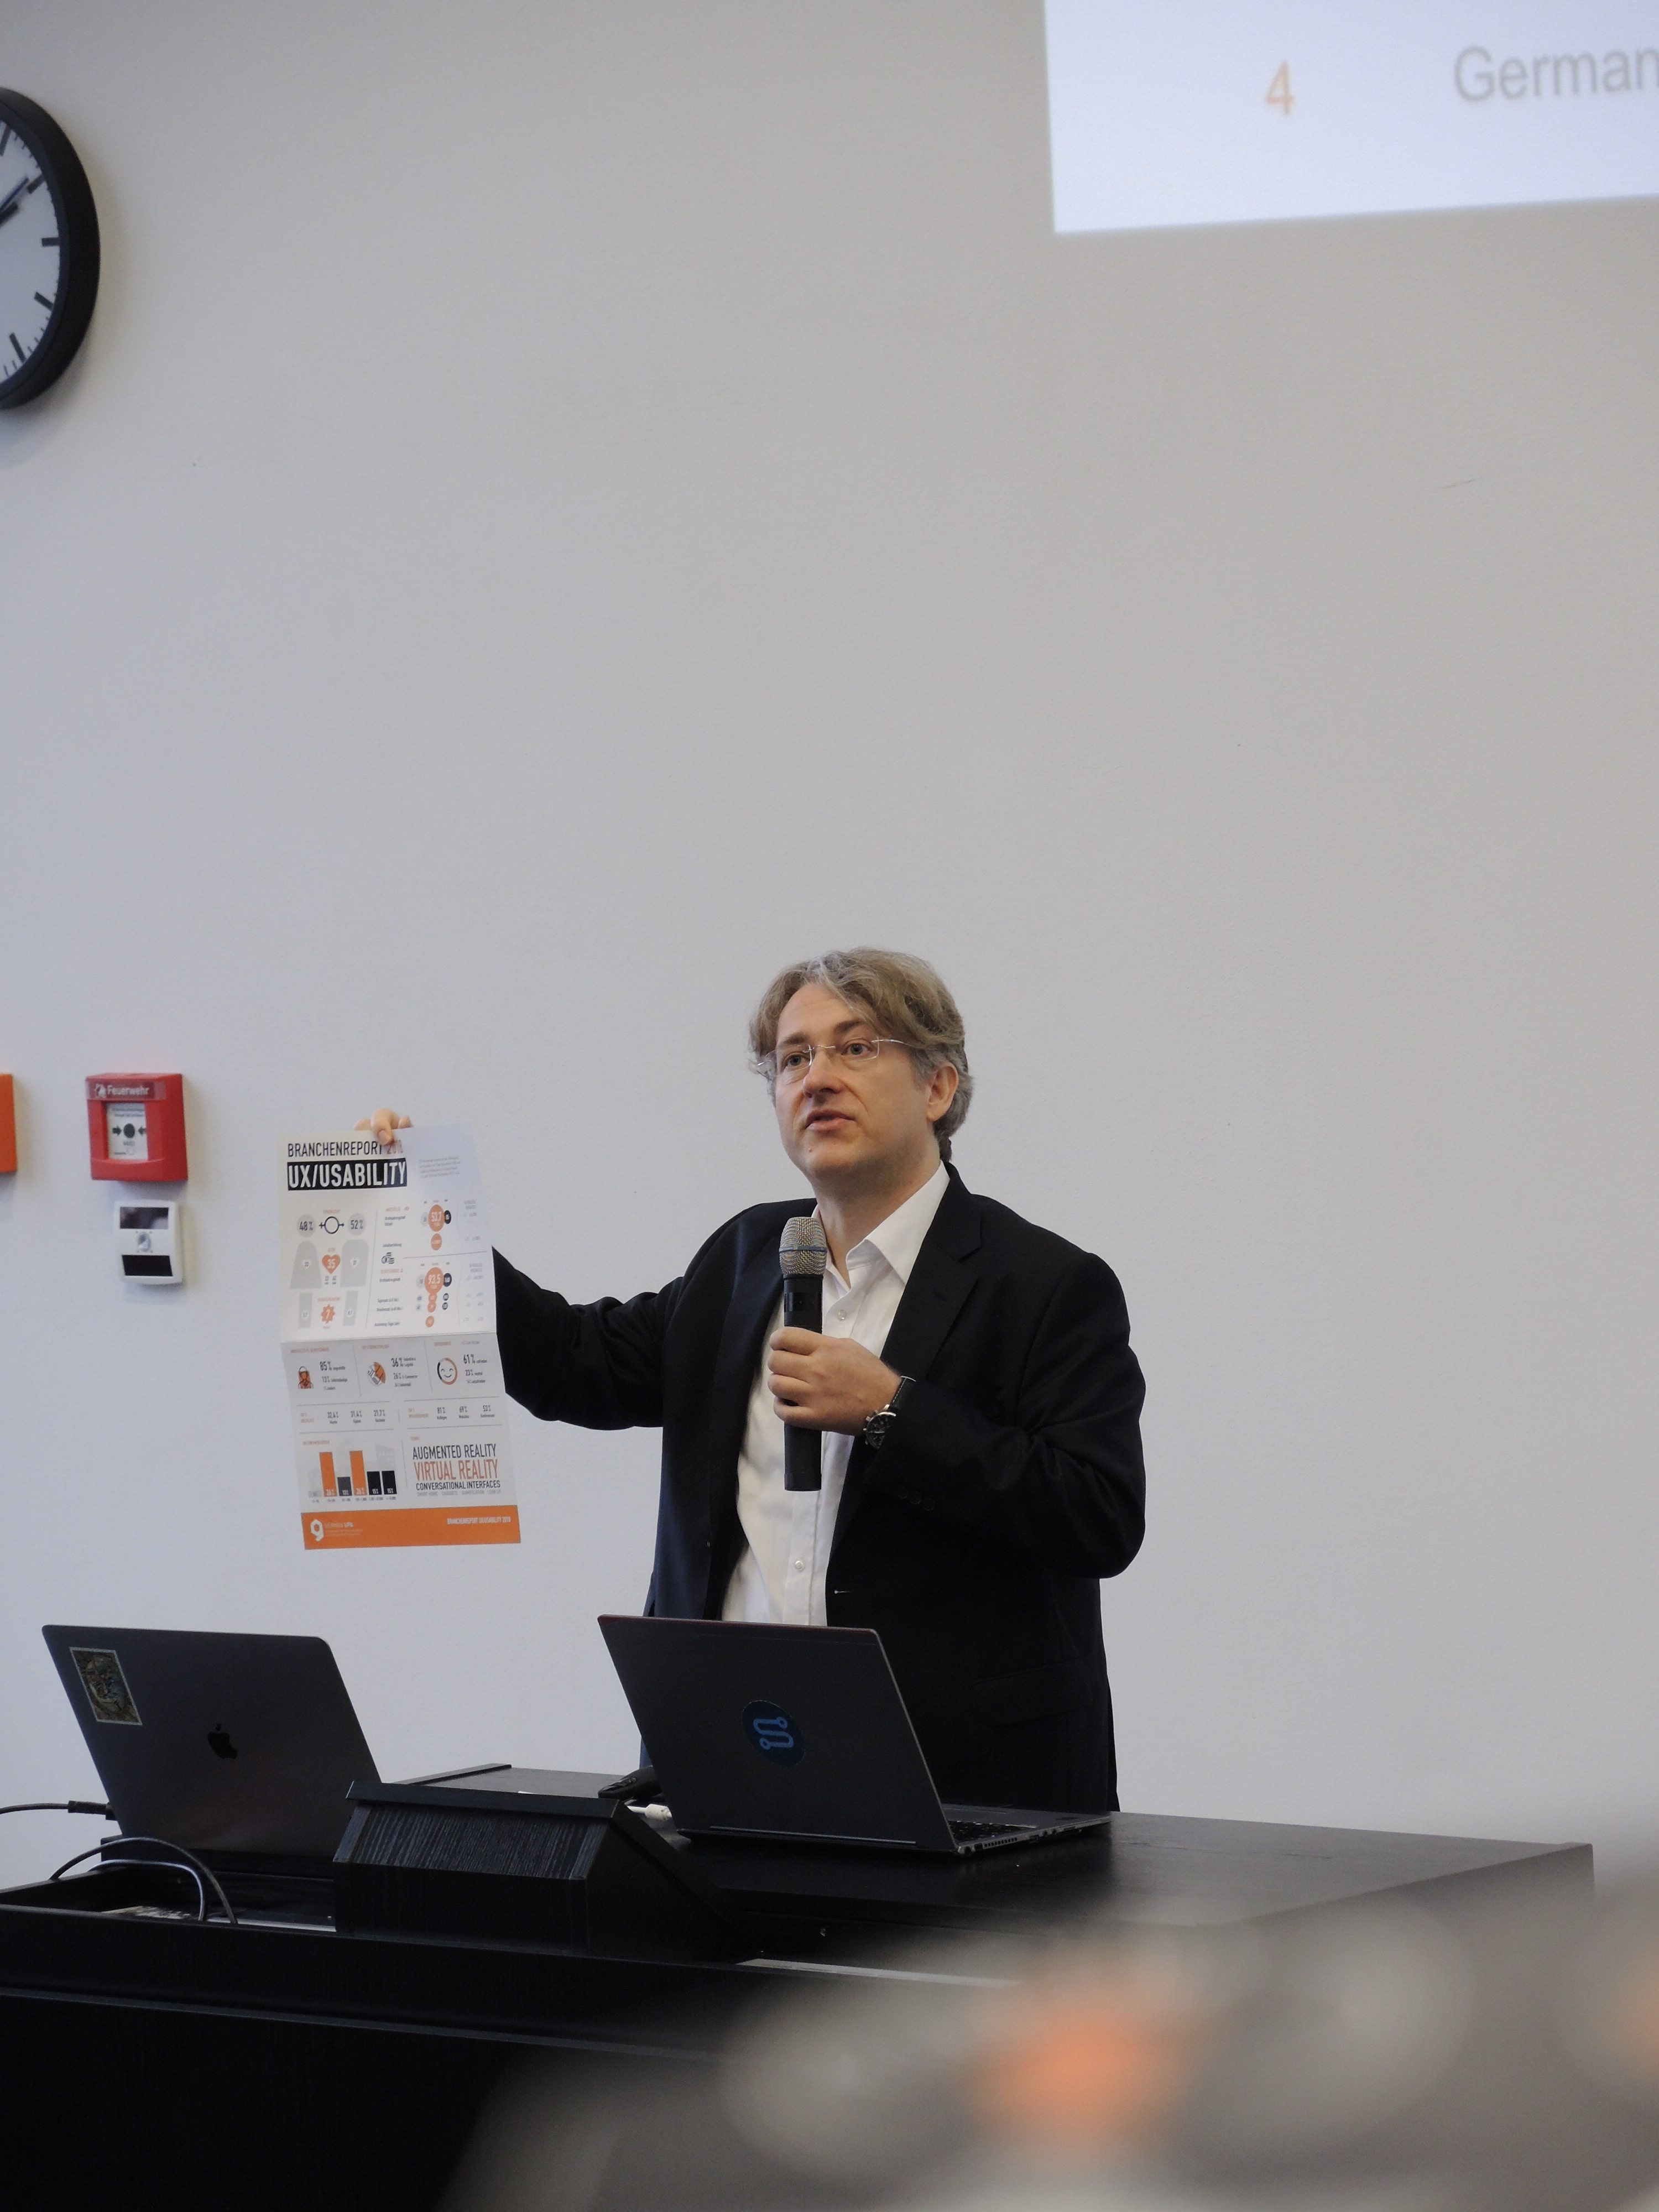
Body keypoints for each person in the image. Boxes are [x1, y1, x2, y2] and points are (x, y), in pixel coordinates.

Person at [361, 948, 1145, 1811]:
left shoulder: (1044, 1285)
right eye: (793, 1057)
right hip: (731, 1758)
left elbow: (1098, 1515)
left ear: (938, 1087)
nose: (818, 1077)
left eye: (855, 1048)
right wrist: (435, 1229)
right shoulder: (744, 1260)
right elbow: (573, 1364)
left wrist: (891, 1411)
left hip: (961, 1782)